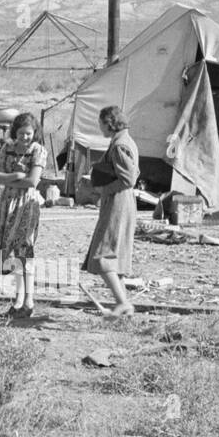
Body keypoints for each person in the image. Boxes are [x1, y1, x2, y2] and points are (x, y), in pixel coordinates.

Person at [82, 105, 139, 317]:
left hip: (117, 202)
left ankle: (123, 303)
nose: (100, 128)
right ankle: (124, 309)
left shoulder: (119, 145)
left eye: (101, 124)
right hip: (121, 200)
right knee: (115, 256)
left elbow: (128, 179)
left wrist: (104, 189)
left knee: (103, 256)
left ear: (109, 123)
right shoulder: (125, 141)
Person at [0, 111, 46, 318]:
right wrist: (16, 175)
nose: (25, 137)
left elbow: (33, 181)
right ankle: (18, 299)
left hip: (26, 205)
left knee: (25, 250)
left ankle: (28, 301)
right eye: (21, 133)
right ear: (15, 132)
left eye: (29, 133)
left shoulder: (38, 150)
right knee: (11, 252)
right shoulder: (8, 147)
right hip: (8, 203)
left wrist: (8, 179)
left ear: (34, 133)